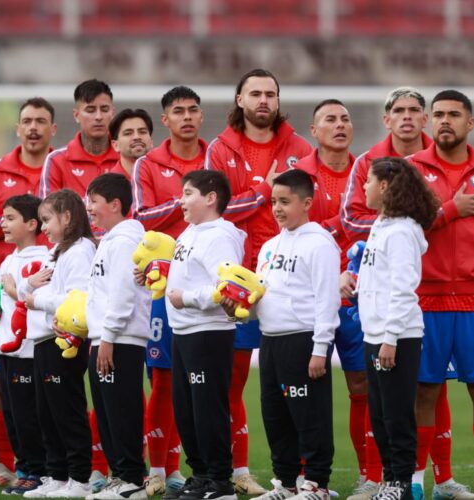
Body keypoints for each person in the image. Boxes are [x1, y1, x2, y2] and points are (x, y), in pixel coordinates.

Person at [339, 88, 467, 500]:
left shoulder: (404, 232)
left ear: (388, 187)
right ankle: (391, 480)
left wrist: (390, 337)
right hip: (378, 334)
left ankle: (398, 481)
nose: (365, 189)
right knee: (380, 411)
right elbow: (379, 281)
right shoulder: (382, 226)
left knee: (397, 414)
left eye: (371, 183)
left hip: (396, 336)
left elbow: (402, 289)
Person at [205, 68, 311, 496]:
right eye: (256, 93)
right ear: (239, 99)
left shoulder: (301, 148)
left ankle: (303, 473)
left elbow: (311, 208)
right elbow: (216, 212)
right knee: (233, 383)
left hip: (290, 282)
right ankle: (237, 470)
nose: (264, 100)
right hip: (238, 282)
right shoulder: (219, 148)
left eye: (271, 93)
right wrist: (261, 192)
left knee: (296, 382)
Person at [409, 91, 474, 500]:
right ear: (428, 122)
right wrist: (451, 209)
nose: (444, 121)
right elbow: (405, 230)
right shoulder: (412, 172)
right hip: (425, 302)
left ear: (470, 123)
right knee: (424, 391)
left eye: (454, 114)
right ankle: (417, 483)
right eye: (437, 115)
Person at [130, 86, 205, 496]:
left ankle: (195, 468)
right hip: (162, 290)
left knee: (205, 381)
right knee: (163, 380)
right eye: (179, 111)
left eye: (194, 110)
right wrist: (187, 200)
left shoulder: (214, 157)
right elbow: (142, 218)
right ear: (166, 120)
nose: (188, 117)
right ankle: (157, 469)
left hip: (209, 289)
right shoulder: (148, 163)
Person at [248, 169, 339, 500]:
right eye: (274, 201)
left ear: (307, 203)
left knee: (309, 414)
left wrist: (320, 348)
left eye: (285, 201)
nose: (277, 208)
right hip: (270, 342)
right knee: (276, 416)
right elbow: (259, 295)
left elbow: (328, 298)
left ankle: (318, 484)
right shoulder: (270, 246)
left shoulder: (320, 243)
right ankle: (285, 483)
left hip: (302, 341)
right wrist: (241, 309)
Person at [294, 100, 368, 490]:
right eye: (330, 119)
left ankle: (368, 476)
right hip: (308, 298)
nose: (340, 125)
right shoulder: (298, 176)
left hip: (356, 298)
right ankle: (309, 478)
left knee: (362, 387)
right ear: (313, 130)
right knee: (306, 388)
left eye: (345, 118)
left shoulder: (367, 172)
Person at [164, 170, 245, 500]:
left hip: (208, 333)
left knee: (207, 408)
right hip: (183, 332)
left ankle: (220, 481)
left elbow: (226, 287)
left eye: (187, 194)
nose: (180, 200)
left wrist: (187, 298)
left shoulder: (220, 236)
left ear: (210, 198)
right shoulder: (189, 233)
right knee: (186, 409)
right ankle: (199, 475)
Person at [23, 190, 96, 498]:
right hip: (44, 339)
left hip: (63, 340)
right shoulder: (59, 251)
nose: (43, 228)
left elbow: (77, 298)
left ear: (67, 217)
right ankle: (57, 475)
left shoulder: (80, 250)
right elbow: (38, 288)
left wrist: (38, 300)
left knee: (66, 409)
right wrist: (31, 291)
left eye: (47, 220)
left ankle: (79, 478)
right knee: (47, 411)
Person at [84, 173, 150, 499]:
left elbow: (123, 294)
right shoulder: (110, 240)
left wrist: (107, 337)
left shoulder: (124, 241)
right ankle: (120, 476)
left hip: (120, 339)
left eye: (93, 201)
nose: (89, 208)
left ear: (115, 204)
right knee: (108, 413)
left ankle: (132, 480)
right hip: (105, 338)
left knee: (121, 410)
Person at [0, 195, 49, 496]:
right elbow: (6, 304)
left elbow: (34, 302)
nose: (4, 223)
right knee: (12, 414)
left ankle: (38, 471)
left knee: (28, 415)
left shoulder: (44, 259)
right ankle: (25, 468)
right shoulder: (9, 259)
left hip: (27, 351)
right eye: (3, 217)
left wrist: (15, 290)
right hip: (5, 349)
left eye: (11, 218)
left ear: (32, 224)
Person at [0, 97, 57, 265]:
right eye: (27, 121)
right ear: (18, 129)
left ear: (53, 129)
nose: (33, 127)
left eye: (40, 121)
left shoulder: (62, 169)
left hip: (52, 274)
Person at [39, 79, 118, 198]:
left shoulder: (126, 157)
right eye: (90, 110)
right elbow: (47, 213)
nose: (98, 117)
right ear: (76, 115)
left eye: (104, 110)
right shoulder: (56, 161)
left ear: (112, 113)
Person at [108, 109, 153, 179]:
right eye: (128, 133)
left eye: (142, 132)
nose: (137, 137)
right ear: (115, 145)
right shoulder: (106, 185)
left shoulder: (165, 178)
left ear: (151, 140)